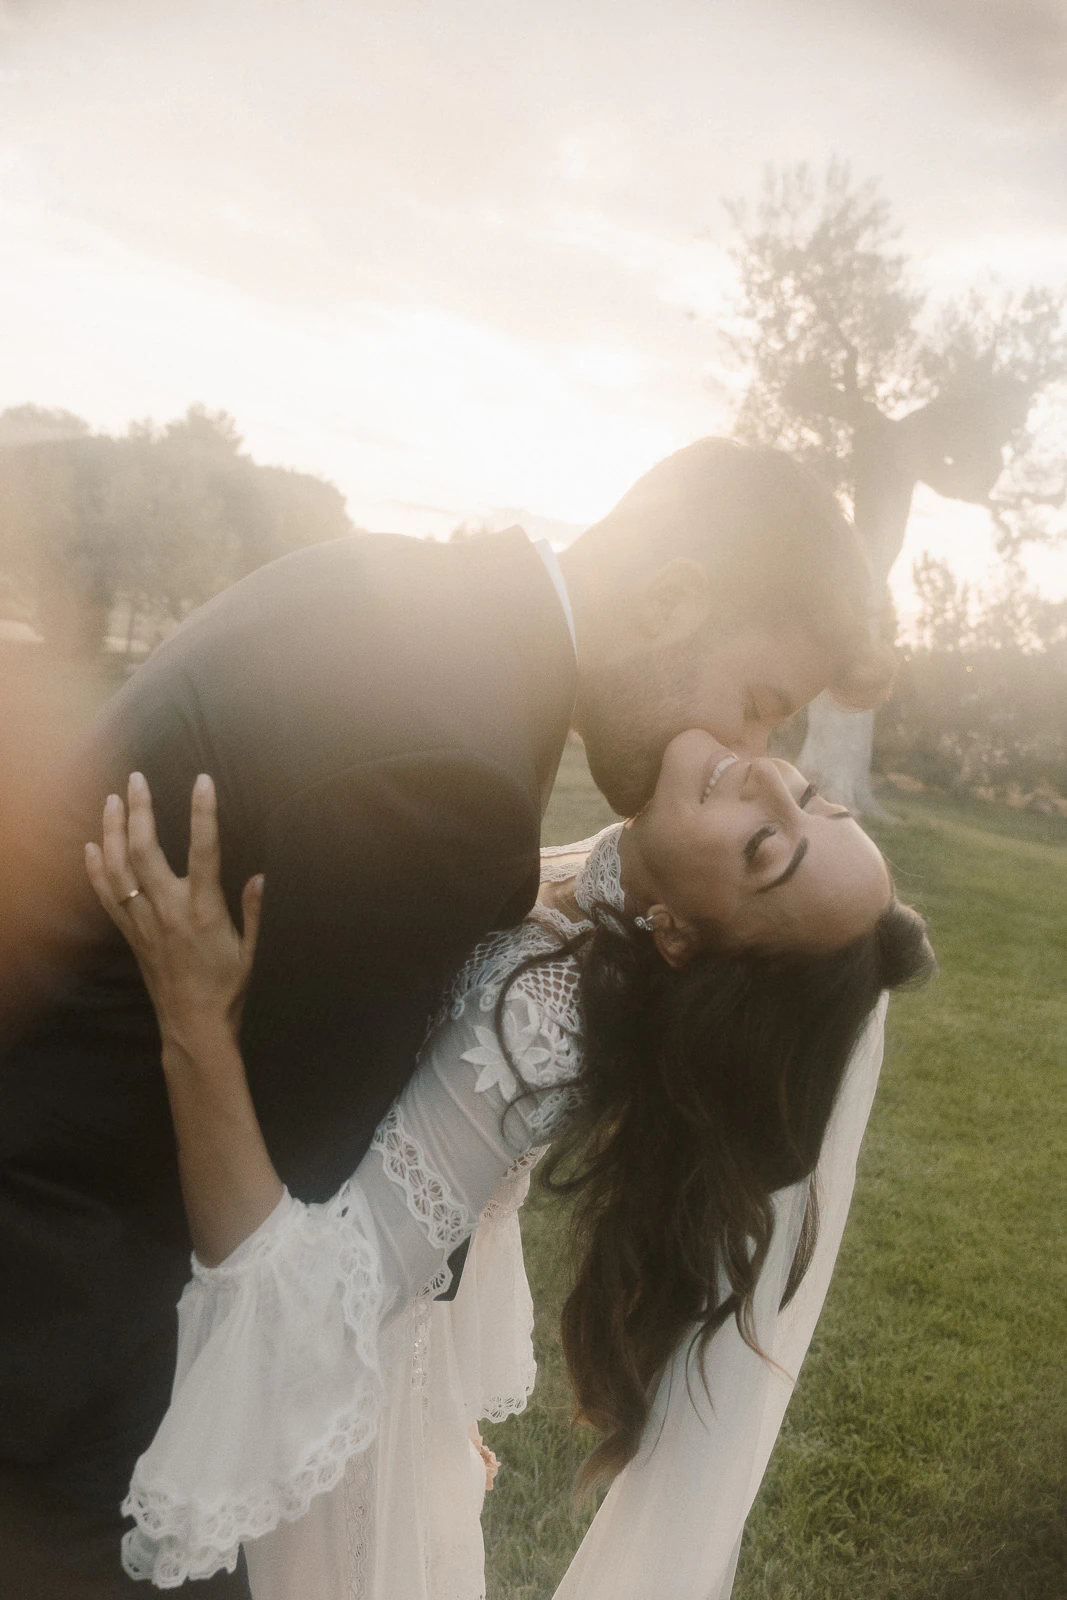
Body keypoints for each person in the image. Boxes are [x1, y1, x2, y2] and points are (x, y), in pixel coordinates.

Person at [0, 436, 889, 1597]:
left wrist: (200, 1020)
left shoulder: (406, 598)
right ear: (669, 601)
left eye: (782, 781)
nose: (751, 756)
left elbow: (344, 1234)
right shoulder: (461, 776)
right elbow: (297, 1249)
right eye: (761, 706)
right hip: (70, 1324)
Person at [83, 736, 934, 1596]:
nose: (766, 778)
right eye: (809, 792)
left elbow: (296, 1321)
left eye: (765, 846)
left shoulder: (546, 1017)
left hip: (319, 1447)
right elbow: (476, 1205)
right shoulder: (615, 876)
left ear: (676, 936)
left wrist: (192, 1015)